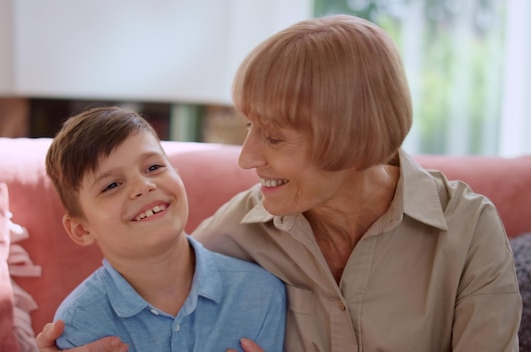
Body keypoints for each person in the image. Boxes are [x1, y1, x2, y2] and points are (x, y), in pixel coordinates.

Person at [37, 14, 522, 352]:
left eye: (274, 137)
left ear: (351, 136)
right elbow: (153, 270)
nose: (247, 158)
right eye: (249, 127)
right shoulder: (238, 232)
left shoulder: (467, 230)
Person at [43, 105, 286, 351]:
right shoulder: (79, 322)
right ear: (81, 229)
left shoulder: (262, 293)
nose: (144, 186)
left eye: (153, 168)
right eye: (112, 185)